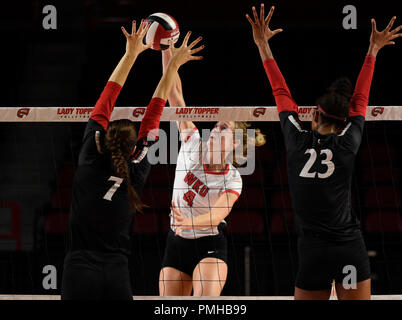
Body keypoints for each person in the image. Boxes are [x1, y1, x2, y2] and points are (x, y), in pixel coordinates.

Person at [246, 4, 402, 300]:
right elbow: (361, 100)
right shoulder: (348, 143)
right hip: (349, 248)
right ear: (343, 122)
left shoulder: (296, 140)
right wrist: (373, 49)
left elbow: (282, 94)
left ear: (314, 117)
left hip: (313, 252)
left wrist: (262, 45)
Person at [61, 20, 204, 300]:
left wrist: (130, 54)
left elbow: (108, 96)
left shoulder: (90, 156)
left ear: (105, 136)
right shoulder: (136, 168)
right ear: (132, 146)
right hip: (116, 271)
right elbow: (155, 110)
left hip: (79, 269)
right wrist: (172, 65)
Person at [158, 45, 266, 296]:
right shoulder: (192, 142)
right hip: (175, 243)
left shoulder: (232, 178)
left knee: (205, 303)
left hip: (209, 246)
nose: (216, 130)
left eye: (224, 128)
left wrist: (190, 222)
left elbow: (218, 215)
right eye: (216, 125)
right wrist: (167, 50)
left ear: (236, 141)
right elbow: (174, 95)